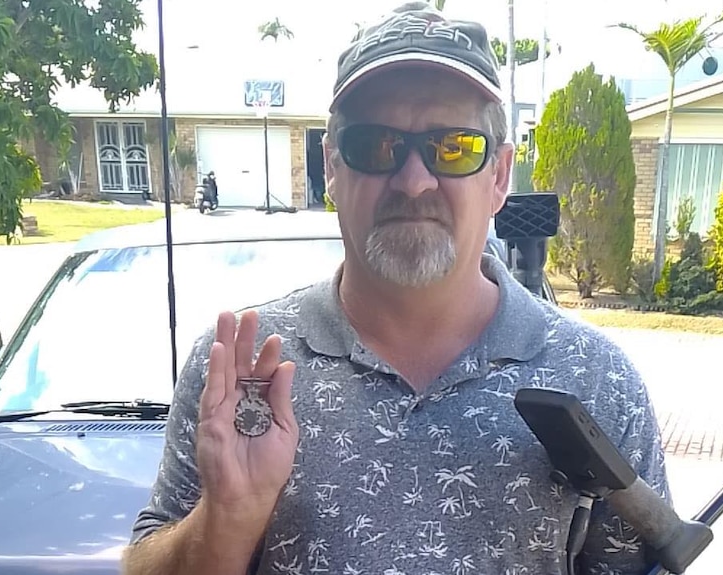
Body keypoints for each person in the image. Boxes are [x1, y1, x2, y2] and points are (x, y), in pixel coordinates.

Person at [121, 2, 672, 575]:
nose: (413, 181)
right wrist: (227, 518)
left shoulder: (595, 379)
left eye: (453, 147)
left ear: (500, 175)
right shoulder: (243, 369)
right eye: (376, 146)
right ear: (331, 165)